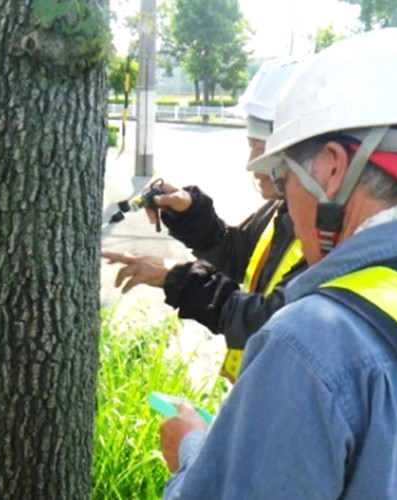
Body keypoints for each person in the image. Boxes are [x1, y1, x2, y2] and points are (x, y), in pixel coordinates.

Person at [162, 27, 397, 499]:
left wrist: (193, 453)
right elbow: (236, 251)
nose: (285, 201)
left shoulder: (313, 344)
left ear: (331, 169)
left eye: (284, 179)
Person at [103, 57, 305, 381]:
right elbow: (235, 255)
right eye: (251, 146)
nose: (252, 163)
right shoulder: (284, 207)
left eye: (261, 149)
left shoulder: (332, 234)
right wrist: (188, 210)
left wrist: (177, 277)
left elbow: (270, 321)